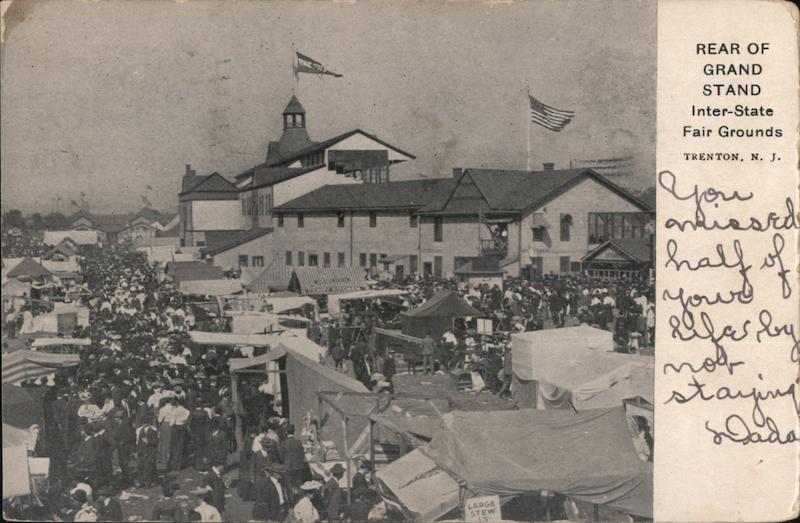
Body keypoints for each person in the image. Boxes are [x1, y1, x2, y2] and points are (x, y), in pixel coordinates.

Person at [278, 423, 307, 503]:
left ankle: (291, 502)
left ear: (286, 432)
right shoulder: (298, 442)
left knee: (289, 485)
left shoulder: (283, 443)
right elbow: (302, 455)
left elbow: (281, 456)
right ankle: (300, 501)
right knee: (299, 485)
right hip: (298, 467)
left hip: (288, 467)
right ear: (293, 432)